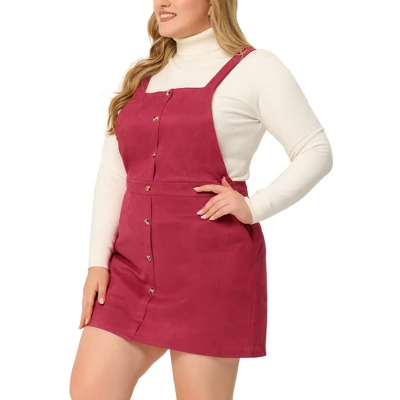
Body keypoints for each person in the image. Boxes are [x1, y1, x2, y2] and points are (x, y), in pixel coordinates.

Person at [70, 0, 333, 399]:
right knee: (90, 390)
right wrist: (97, 262)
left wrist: (254, 206)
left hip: (209, 273)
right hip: (130, 271)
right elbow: (114, 174)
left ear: (213, 4)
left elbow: (315, 151)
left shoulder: (256, 68)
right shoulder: (143, 75)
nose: (163, 2)